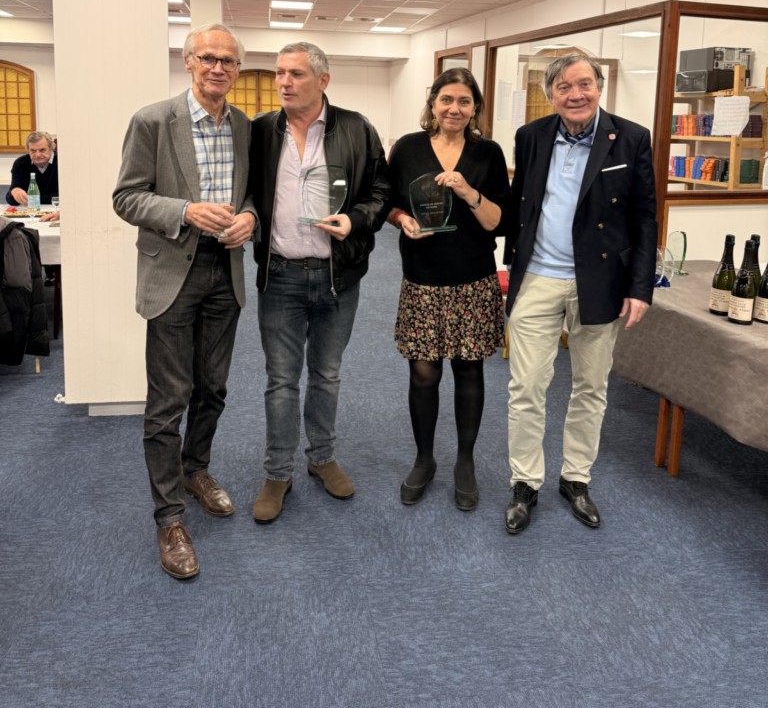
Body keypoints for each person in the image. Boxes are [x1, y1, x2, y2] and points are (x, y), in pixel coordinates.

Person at [113, 23, 258, 580]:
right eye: (208, 58)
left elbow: (252, 192)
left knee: (213, 388)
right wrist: (184, 211)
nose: (218, 67)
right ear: (188, 62)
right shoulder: (153, 120)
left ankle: (196, 469)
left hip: (226, 271)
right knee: (168, 400)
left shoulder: (244, 126)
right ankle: (169, 517)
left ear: (237, 69)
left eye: (228, 60)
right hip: (173, 271)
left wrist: (250, 217)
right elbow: (127, 197)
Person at [503, 52, 657, 535]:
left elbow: (645, 217)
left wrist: (640, 287)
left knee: (591, 387)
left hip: (600, 280)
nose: (576, 95)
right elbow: (523, 204)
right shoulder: (531, 136)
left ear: (599, 87)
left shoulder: (631, 137)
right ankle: (525, 481)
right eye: (564, 87)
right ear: (550, 94)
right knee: (527, 387)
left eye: (584, 84)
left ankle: (576, 478)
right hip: (537, 277)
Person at [248, 41, 390, 524]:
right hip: (281, 275)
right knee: (281, 380)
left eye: (296, 74)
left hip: (337, 276)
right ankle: (277, 472)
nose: (284, 82)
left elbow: (381, 191)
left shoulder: (356, 128)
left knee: (327, 375)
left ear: (323, 80)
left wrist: (356, 220)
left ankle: (322, 457)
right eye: (279, 73)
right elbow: (246, 192)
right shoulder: (261, 131)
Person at [386, 68, 510, 511]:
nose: (454, 109)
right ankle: (424, 459)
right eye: (447, 99)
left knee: (469, 370)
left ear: (475, 108)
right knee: (423, 373)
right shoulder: (408, 148)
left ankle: (465, 461)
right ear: (433, 103)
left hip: (472, 276)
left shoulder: (488, 153)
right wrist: (403, 220)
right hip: (422, 275)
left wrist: (468, 191)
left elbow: (499, 222)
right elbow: (387, 203)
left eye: (464, 101)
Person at [6, 131, 58, 206]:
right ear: (28, 150)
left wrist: (31, 199)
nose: (37, 155)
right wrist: (15, 192)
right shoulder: (20, 163)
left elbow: (63, 196)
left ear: (51, 148)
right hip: (29, 210)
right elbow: (10, 200)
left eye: (42, 150)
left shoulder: (61, 162)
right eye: (33, 151)